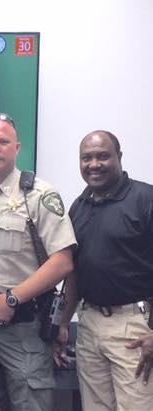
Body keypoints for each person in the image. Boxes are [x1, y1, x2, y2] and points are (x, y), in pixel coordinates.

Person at [0, 112, 76, 411]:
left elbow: (62, 261)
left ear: (17, 147)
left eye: (3, 141)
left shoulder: (38, 194)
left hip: (24, 326)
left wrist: (12, 298)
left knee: (31, 405)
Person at [54, 130, 153, 410]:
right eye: (86, 158)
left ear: (119, 157)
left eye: (102, 156)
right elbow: (74, 271)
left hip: (135, 328)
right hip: (89, 325)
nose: (93, 164)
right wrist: (62, 324)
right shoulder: (79, 206)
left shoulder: (146, 199)